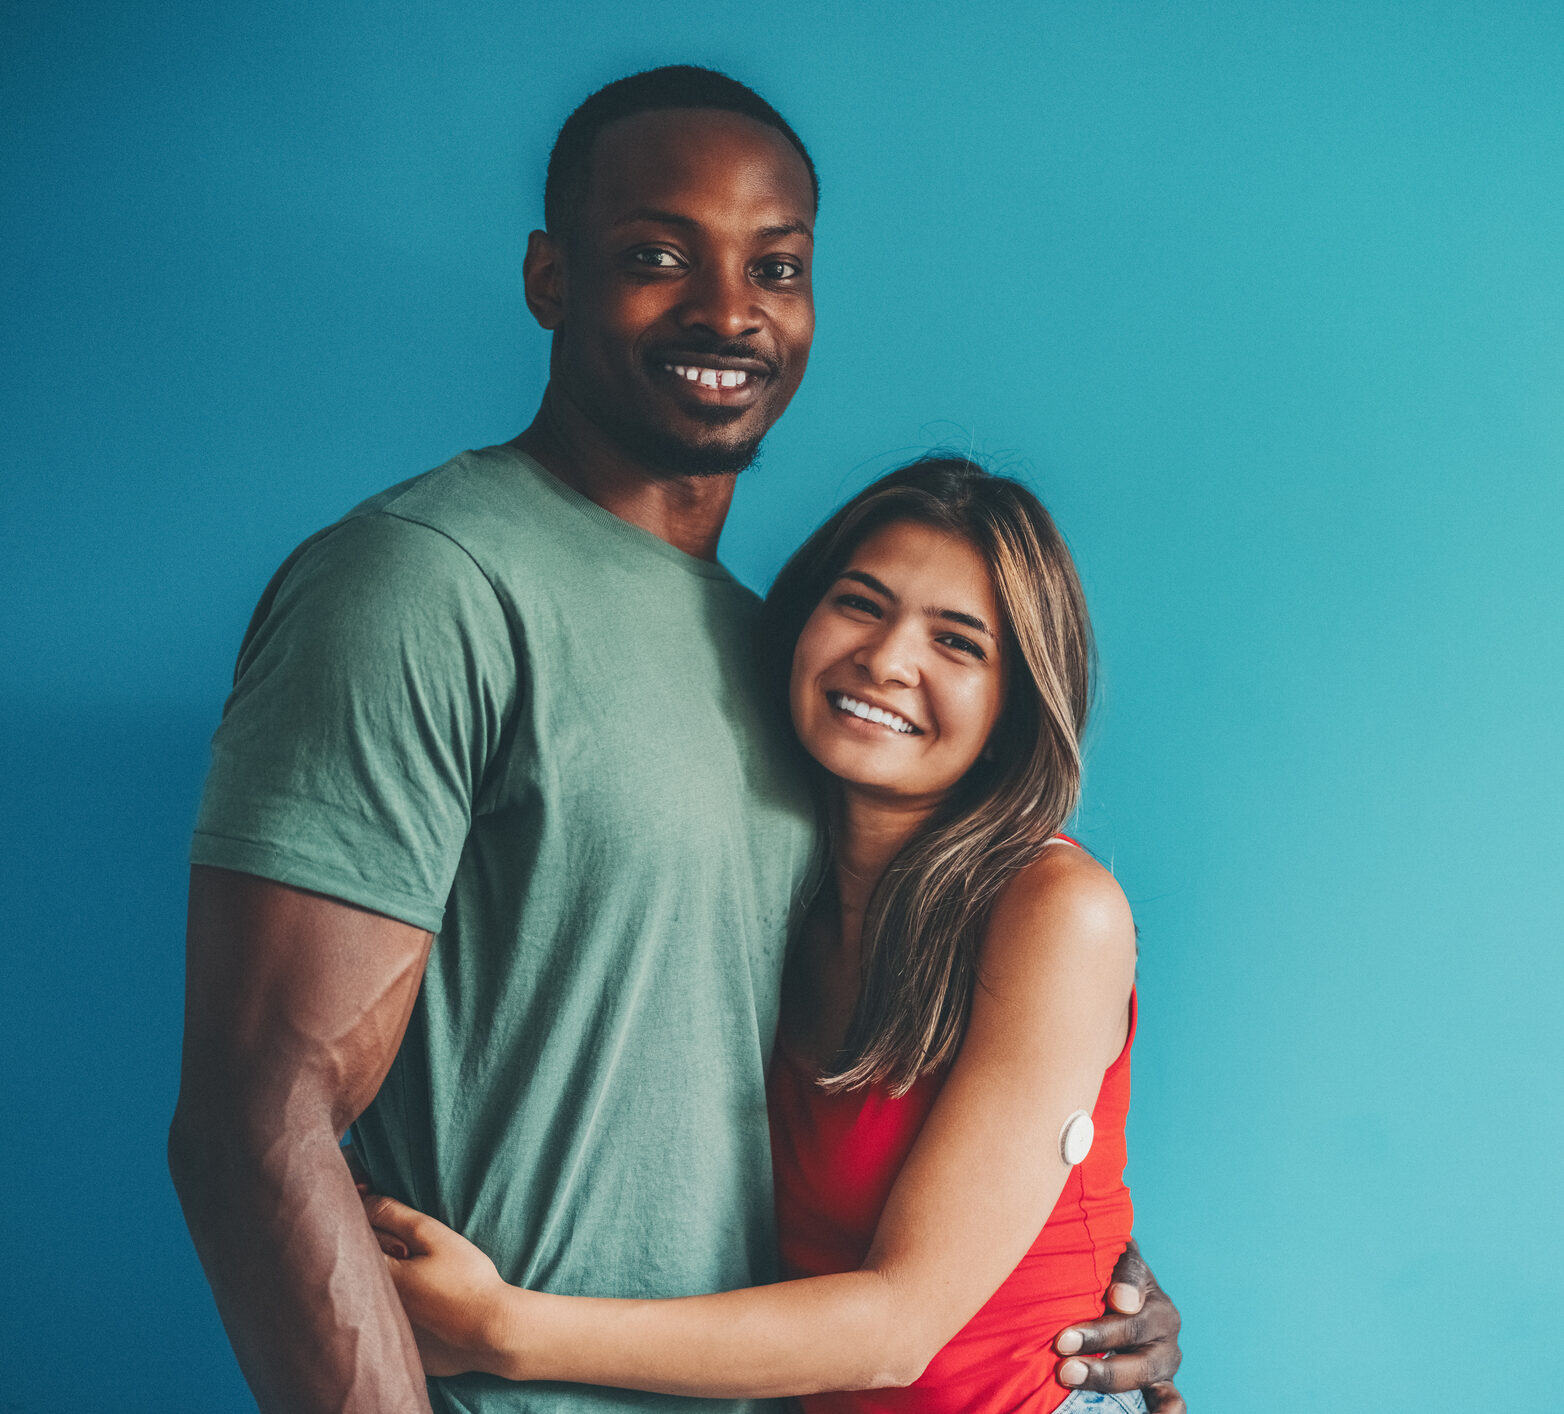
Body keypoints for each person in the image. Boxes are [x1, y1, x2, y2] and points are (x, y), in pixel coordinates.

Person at [167, 66, 1185, 1414]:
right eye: (657, 254)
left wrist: (1076, 1261)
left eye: (774, 266)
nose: (726, 311)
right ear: (550, 277)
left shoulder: (774, 660)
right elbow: (254, 1116)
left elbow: (760, 1079)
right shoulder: (423, 579)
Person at [359, 457, 1146, 1413]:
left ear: (1013, 707)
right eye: (862, 604)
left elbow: (901, 1328)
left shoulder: (1056, 910)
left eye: (958, 643)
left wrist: (499, 1330)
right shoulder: (767, 885)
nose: (889, 660)